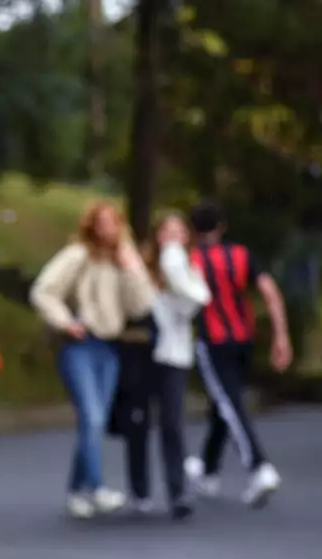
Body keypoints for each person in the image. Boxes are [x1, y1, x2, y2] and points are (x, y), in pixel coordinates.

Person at [30, 202, 156, 519]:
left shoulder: (124, 259)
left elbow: (141, 307)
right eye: (101, 223)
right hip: (81, 346)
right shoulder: (78, 255)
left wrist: (132, 269)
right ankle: (97, 488)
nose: (108, 230)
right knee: (92, 417)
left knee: (94, 420)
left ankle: (76, 491)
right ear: (91, 226)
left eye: (113, 223)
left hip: (111, 347)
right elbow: (43, 290)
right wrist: (64, 322)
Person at [183, 200, 291, 507]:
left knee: (229, 403)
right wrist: (281, 336)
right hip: (243, 340)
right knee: (223, 403)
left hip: (213, 342)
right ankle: (208, 469)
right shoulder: (242, 255)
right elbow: (270, 293)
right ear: (222, 226)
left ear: (193, 229)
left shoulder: (191, 260)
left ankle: (259, 467)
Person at [118, 212, 210, 520]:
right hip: (143, 352)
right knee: (139, 422)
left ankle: (177, 491)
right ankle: (140, 490)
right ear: (157, 235)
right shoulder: (142, 267)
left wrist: (177, 272)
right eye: (166, 231)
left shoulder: (187, 269)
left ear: (185, 237)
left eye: (178, 231)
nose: (171, 236)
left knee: (172, 423)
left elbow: (193, 304)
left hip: (174, 355)